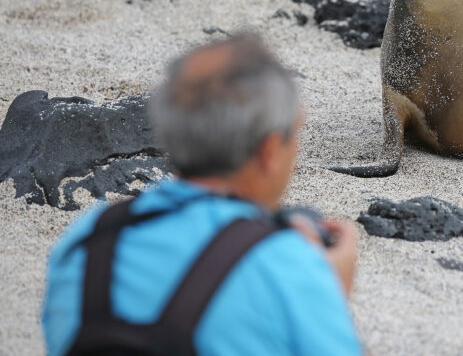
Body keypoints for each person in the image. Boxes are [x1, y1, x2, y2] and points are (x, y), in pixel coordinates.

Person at [42, 33, 361, 356]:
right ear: (268, 151)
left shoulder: (85, 242)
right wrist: (329, 294)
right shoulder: (288, 269)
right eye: (295, 134)